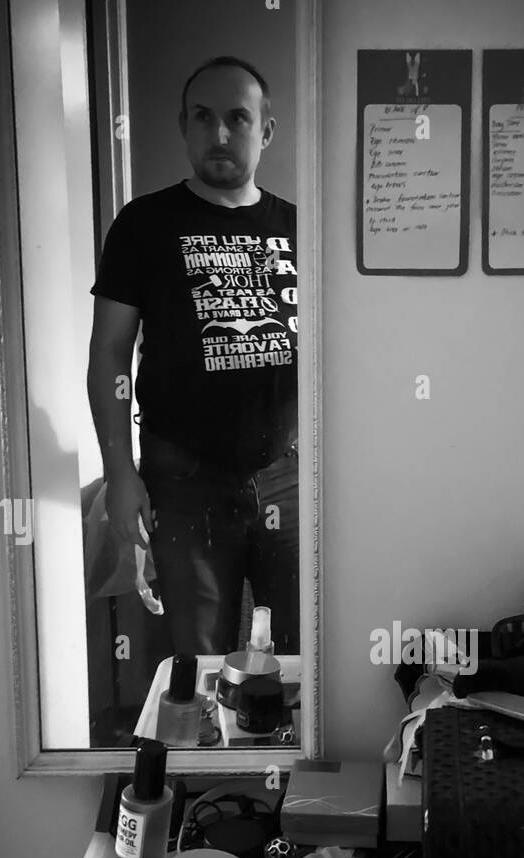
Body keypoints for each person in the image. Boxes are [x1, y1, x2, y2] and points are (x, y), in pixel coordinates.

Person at [87, 55, 299, 657]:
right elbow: (109, 357)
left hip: (286, 471)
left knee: (302, 655)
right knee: (198, 655)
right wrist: (121, 473)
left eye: (239, 117)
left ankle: (282, 756)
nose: (222, 134)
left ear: (267, 130)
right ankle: (199, 756)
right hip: (184, 478)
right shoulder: (144, 225)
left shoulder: (299, 227)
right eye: (204, 118)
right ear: (184, 125)